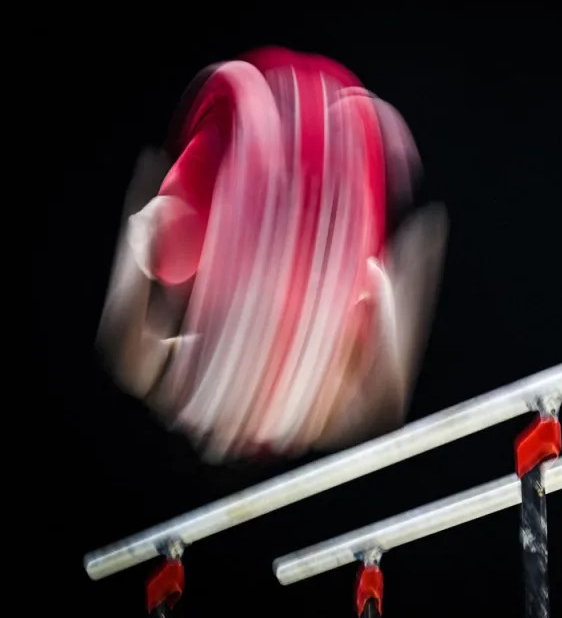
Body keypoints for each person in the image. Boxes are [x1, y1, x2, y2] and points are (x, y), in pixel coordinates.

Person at [98, 46, 447, 462]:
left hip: (282, 216)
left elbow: (126, 351)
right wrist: (386, 295)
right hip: (305, 217)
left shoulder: (201, 388)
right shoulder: (312, 405)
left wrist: (140, 247)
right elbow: (384, 404)